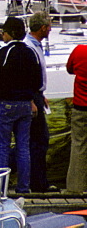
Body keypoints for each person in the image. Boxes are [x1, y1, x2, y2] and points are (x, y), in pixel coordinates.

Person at [0, 16, 41, 195]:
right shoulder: (30, 51)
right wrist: (30, 98)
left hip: (7, 104)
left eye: (4, 32)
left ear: (10, 34)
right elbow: (38, 80)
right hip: (26, 105)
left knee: (2, 147)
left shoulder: (3, 52)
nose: (2, 35)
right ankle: (23, 188)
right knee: (23, 147)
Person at [24, 11, 54, 193]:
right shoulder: (30, 47)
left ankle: (37, 181)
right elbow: (25, 76)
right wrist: (31, 99)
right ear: (43, 28)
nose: (50, 30)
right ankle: (38, 183)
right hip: (31, 97)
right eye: (49, 26)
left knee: (36, 140)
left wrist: (41, 93)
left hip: (36, 95)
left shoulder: (34, 45)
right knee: (39, 140)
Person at [67, 39, 87, 192]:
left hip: (80, 107)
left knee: (78, 145)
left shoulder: (79, 50)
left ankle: (76, 187)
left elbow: (69, 69)